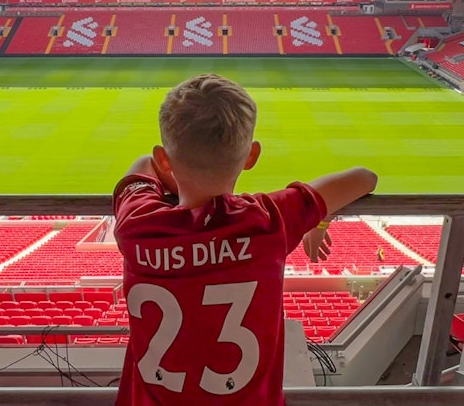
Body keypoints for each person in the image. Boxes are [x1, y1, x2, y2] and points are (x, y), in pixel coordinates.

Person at [112, 74, 377, 405]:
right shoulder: (269, 218)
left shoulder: (138, 222)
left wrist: (171, 172)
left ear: (165, 158)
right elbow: (365, 178)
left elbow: (141, 167)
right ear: (251, 156)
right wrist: (317, 222)